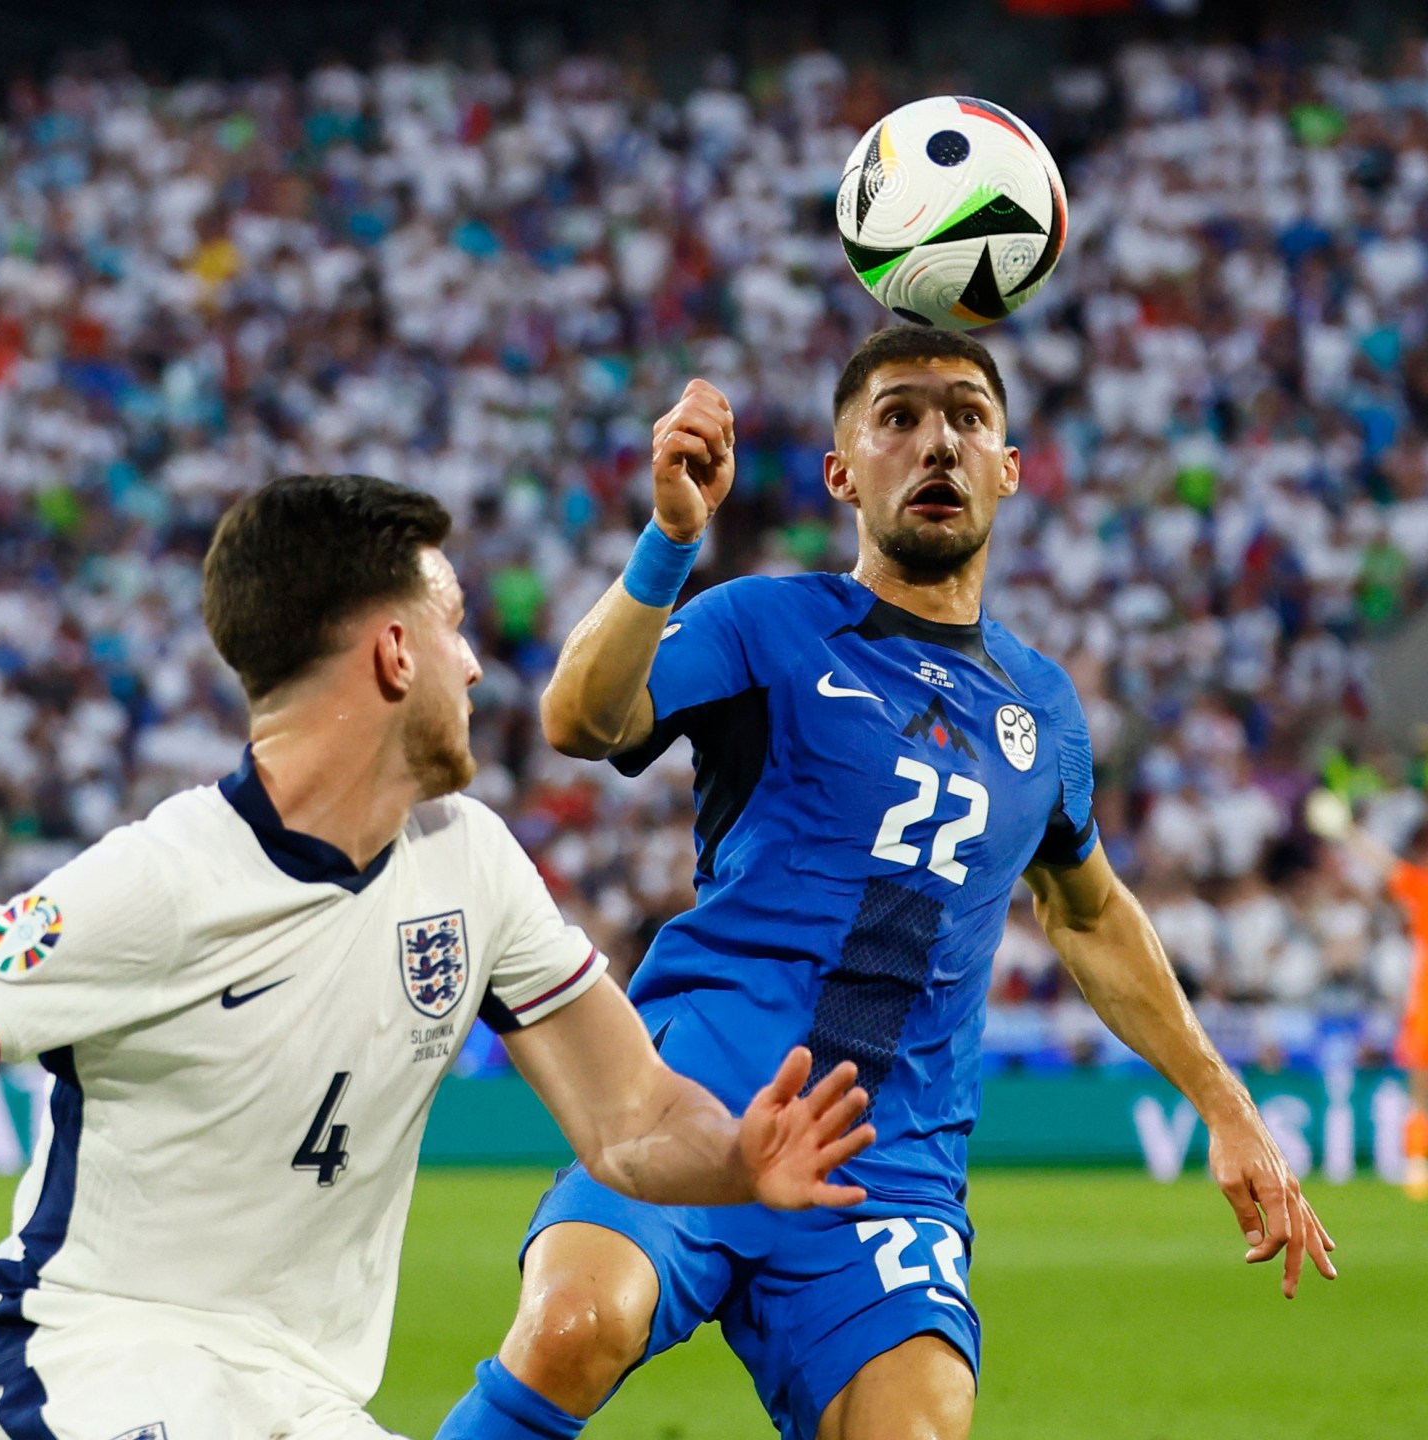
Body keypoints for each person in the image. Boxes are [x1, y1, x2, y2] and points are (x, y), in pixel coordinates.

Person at [0, 473, 878, 1440]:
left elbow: (630, 1119)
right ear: (394, 655)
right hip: (99, 1366)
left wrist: (740, 1159)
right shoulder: (163, 881)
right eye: (453, 628)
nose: (475, 665)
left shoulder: (471, 863)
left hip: (300, 1398)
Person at [436, 328, 1337, 1440]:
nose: (937, 443)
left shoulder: (1044, 710)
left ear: (1010, 468)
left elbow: (1091, 911)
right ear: (842, 472)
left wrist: (1226, 1105)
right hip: (703, 1087)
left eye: (968, 417)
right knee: (573, 1324)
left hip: (890, 1151)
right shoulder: (764, 623)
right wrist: (671, 543)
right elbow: (580, 720)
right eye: (899, 417)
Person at [1304, 787, 1428, 1199]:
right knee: (1420, 1087)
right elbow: (1384, 864)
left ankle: (1416, 1163)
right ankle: (1416, 1162)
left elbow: (1385, 865)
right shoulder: (1421, 887)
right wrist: (1348, 834)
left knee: (1420, 1089)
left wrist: (1345, 831)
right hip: (1423, 1005)